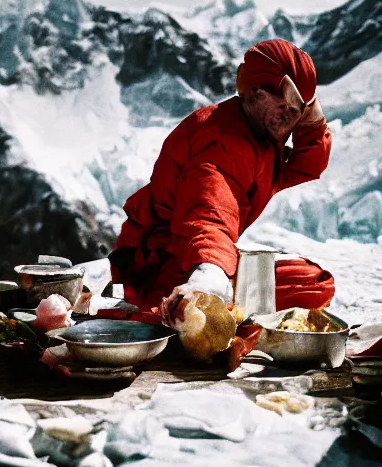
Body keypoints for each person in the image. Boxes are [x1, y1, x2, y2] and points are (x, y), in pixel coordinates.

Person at [109, 39, 336, 322]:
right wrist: (209, 278)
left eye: (296, 113)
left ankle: (198, 309)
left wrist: (312, 121)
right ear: (255, 92)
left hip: (186, 257)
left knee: (310, 282)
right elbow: (208, 211)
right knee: (308, 284)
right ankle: (169, 313)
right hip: (168, 266)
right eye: (283, 107)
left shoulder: (262, 139)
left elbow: (306, 166)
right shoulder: (223, 140)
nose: (288, 120)